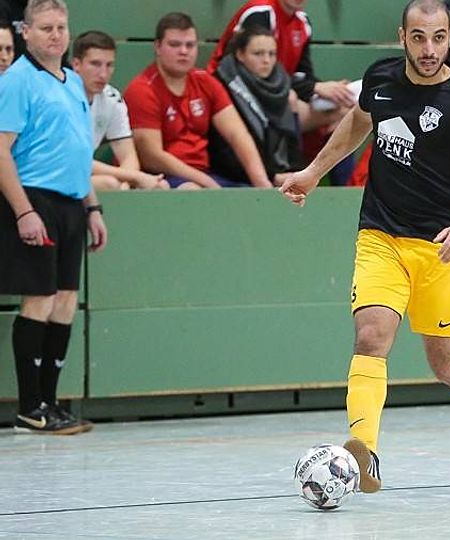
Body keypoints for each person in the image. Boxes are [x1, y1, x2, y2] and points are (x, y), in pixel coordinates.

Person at [279, 0, 450, 494]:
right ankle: (364, 451)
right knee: (371, 336)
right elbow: (358, 122)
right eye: (418, 37)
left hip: (441, 248)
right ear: (402, 37)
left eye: (438, 38)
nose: (429, 49)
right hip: (381, 235)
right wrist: (313, 172)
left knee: (448, 366)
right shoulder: (381, 78)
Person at [0, 0, 106, 435]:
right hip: (36, 199)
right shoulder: (17, 81)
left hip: (70, 204)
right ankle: (29, 407)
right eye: (45, 28)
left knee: (64, 302)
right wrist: (23, 210)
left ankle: (50, 401)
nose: (56, 35)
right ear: (26, 32)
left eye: (61, 27)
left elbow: (77, 151)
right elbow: (1, 151)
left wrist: (92, 206)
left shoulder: (72, 82)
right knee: (39, 300)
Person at [124, 12, 273, 189]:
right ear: (158, 47)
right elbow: (151, 156)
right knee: (192, 190)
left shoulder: (206, 82)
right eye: (175, 44)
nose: (184, 51)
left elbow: (237, 134)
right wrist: (205, 182)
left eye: (190, 45)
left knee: (248, 195)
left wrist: (261, 182)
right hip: (162, 178)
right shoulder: (142, 89)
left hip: (205, 174)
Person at [207, 0, 355, 133]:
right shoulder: (261, 13)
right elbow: (253, 75)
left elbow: (302, 74)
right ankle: (288, 155)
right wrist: (314, 87)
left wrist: (330, 91)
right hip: (232, 91)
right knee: (294, 101)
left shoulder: (303, 22)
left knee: (345, 108)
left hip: (277, 91)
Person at [70, 30, 168, 191]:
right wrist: (135, 177)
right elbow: (74, 160)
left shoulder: (111, 98)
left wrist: (126, 185)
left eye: (109, 65)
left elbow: (128, 155)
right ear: (76, 65)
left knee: (160, 186)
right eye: (95, 64)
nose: (103, 74)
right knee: (109, 184)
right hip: (50, 176)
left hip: (83, 176)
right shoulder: (61, 98)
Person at [211, 26, 304, 182]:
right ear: (240, 55)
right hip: (233, 176)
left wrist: (295, 173)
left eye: (272, 54)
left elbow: (292, 143)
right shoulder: (223, 86)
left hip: (277, 174)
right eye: (258, 54)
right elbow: (223, 150)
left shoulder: (282, 86)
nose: (266, 60)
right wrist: (271, 177)